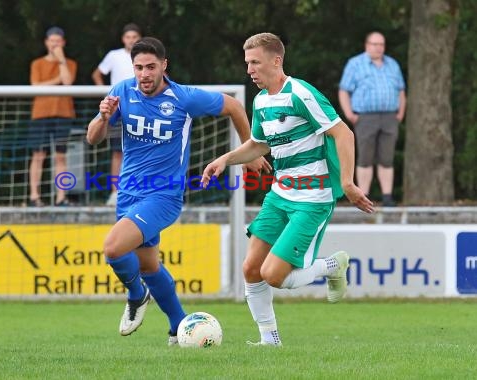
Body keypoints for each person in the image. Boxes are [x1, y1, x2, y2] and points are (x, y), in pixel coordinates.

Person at [86, 37, 270, 345]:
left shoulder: (183, 98)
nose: (144, 74)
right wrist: (103, 117)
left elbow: (235, 106)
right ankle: (178, 325)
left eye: (150, 67)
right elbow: (93, 138)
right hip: (128, 194)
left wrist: (249, 152)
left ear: (163, 66)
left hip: (163, 196)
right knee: (147, 265)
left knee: (113, 248)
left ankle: (136, 296)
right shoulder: (122, 92)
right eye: (138, 68)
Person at [201, 33, 374, 347]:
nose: (250, 69)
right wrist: (224, 160)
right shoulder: (262, 100)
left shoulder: (300, 94)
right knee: (251, 268)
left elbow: (343, 133)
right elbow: (259, 144)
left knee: (274, 275)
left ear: (276, 60)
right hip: (280, 195)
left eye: (255, 62)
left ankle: (333, 265)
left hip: (312, 199)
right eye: (247, 63)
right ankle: (270, 340)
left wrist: (347, 183)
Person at [338, 31, 407, 207]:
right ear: (367, 45)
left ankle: (387, 196)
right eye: (375, 44)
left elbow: (401, 90)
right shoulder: (355, 64)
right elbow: (344, 90)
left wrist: (400, 112)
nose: (378, 48)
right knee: (365, 158)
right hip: (365, 117)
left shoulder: (392, 64)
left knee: (387, 158)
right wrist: (349, 113)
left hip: (389, 117)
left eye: (381, 44)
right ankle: (363, 195)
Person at [92, 23, 142, 207]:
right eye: (128, 37)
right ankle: (116, 192)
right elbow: (97, 74)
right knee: (117, 152)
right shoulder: (114, 55)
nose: (131, 40)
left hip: (142, 110)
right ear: (123, 39)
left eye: (134, 37)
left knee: (141, 150)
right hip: (118, 110)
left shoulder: (144, 56)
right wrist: (105, 94)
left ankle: (139, 192)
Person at [28, 26, 77, 207]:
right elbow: (35, 85)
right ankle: (34, 196)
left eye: (58, 41)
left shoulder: (70, 63)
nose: (55, 44)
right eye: (52, 41)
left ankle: (61, 197)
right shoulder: (37, 63)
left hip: (63, 113)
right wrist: (56, 81)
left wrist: (61, 60)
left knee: (60, 156)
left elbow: (68, 82)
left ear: (63, 43)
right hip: (40, 113)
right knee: (38, 155)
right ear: (46, 42)